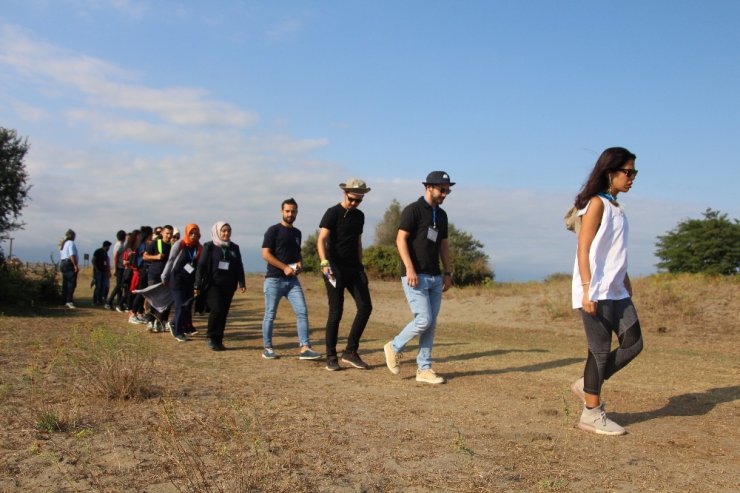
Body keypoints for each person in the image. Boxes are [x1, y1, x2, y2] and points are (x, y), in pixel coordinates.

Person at [569, 147, 644, 436]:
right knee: (599, 352)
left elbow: (614, 250)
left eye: (634, 172)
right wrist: (587, 289)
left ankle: (586, 385)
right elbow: (584, 248)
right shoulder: (597, 204)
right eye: (628, 172)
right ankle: (591, 412)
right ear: (610, 172)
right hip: (595, 291)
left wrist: (624, 278)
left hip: (617, 290)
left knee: (633, 343)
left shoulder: (617, 207)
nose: (632, 177)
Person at [384, 171, 454, 385]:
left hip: (435, 277)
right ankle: (394, 346)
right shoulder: (412, 210)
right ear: (429, 187)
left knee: (430, 324)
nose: (445, 194)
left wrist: (448, 272)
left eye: (447, 190)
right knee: (423, 319)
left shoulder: (442, 215)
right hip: (415, 276)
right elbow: (400, 240)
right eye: (442, 190)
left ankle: (424, 369)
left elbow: (443, 245)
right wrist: (410, 268)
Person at [317, 178, 373, 371]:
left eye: (359, 201)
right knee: (336, 311)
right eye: (352, 199)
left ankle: (350, 351)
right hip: (334, 268)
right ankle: (331, 356)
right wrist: (324, 263)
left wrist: (361, 266)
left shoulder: (360, 216)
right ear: (345, 194)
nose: (354, 203)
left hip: (354, 268)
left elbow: (358, 242)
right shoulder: (332, 213)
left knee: (365, 307)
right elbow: (321, 240)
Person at [260, 198, 320, 360]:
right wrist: (284, 267)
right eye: (287, 211)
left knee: (302, 312)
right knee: (270, 314)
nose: (290, 214)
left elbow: (297, 253)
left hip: (292, 281)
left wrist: (299, 264)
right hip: (274, 280)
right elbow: (265, 254)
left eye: (293, 211)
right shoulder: (273, 231)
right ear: (282, 211)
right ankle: (268, 348)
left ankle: (305, 347)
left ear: (296, 212)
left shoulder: (297, 233)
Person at [195, 221, 246, 351]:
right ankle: (211, 337)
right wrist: (197, 284)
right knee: (216, 310)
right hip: (213, 285)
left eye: (228, 231)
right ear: (217, 231)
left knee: (223, 313)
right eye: (223, 231)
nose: (226, 233)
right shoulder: (209, 247)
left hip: (229, 286)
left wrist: (242, 282)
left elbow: (239, 266)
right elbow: (200, 266)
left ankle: (218, 340)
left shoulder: (234, 247)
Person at [162, 224, 202, 342]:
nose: (194, 236)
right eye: (191, 233)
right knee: (180, 305)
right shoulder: (180, 244)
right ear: (187, 233)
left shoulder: (199, 248)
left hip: (189, 281)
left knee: (187, 306)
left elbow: (199, 266)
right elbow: (170, 260)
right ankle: (178, 332)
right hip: (177, 280)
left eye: (196, 234)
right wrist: (164, 275)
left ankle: (173, 323)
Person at [143, 225, 174, 332]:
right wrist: (156, 257)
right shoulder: (156, 243)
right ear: (162, 233)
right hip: (154, 275)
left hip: (166, 277)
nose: (169, 235)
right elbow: (145, 256)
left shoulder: (172, 246)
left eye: (171, 233)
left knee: (165, 300)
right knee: (153, 299)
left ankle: (161, 321)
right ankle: (150, 321)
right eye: (167, 233)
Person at [106, 230, 127, 310]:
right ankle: (109, 301)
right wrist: (115, 268)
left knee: (120, 286)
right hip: (119, 267)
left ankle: (118, 303)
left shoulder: (120, 245)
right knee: (118, 286)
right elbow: (115, 257)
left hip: (120, 267)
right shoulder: (119, 245)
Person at [58, 229, 79, 309]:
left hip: (63, 263)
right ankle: (69, 301)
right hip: (69, 264)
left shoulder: (64, 244)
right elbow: (72, 255)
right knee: (71, 283)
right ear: (72, 236)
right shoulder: (71, 243)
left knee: (65, 283)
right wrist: (75, 265)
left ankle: (63, 300)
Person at [92, 241, 112, 305]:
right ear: (106, 246)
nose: (109, 248)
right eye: (108, 247)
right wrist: (96, 269)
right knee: (98, 286)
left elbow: (106, 263)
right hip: (98, 271)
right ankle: (95, 300)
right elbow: (93, 260)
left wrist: (107, 271)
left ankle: (100, 300)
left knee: (102, 287)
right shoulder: (98, 251)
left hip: (103, 272)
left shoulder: (105, 253)